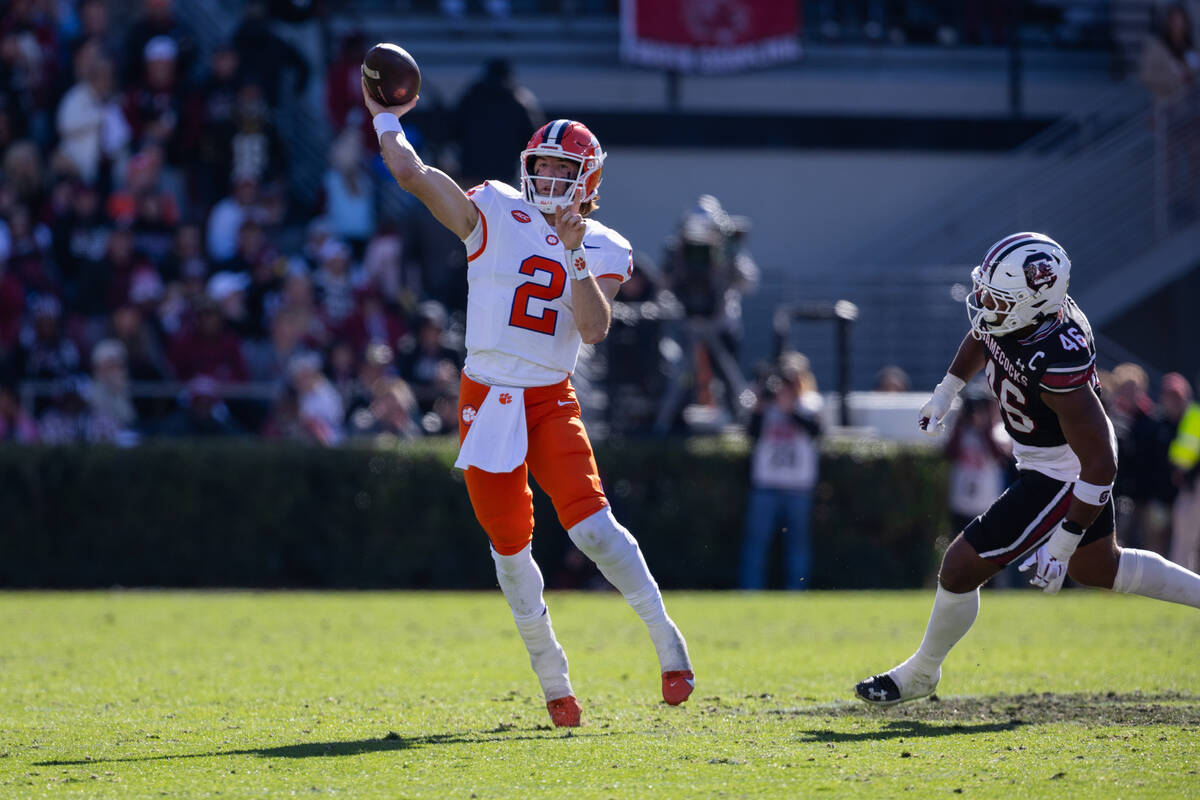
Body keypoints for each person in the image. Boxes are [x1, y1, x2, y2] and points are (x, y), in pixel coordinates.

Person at [364, 83, 693, 727]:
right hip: (486, 396)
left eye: (561, 169)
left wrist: (570, 252)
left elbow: (594, 328)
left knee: (593, 527)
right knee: (511, 548)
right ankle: (552, 676)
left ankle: (668, 643)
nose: (545, 177)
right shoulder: (491, 207)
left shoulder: (604, 245)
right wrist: (385, 120)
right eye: (539, 165)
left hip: (549, 397)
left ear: (587, 179)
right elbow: (411, 173)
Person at [855, 232, 1200, 707]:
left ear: (1033, 304)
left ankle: (920, 673)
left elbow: (1101, 462)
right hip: (1045, 459)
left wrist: (1062, 542)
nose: (984, 305)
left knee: (959, 566)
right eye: (987, 292)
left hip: (1066, 472)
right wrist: (946, 390)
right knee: (1100, 567)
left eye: (998, 298)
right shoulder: (1015, 317)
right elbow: (984, 334)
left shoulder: (1058, 355)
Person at [739, 351, 823, 590]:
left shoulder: (810, 403)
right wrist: (758, 407)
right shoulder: (767, 404)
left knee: (797, 545)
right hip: (766, 485)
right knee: (756, 543)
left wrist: (790, 409)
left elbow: (816, 432)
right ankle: (749, 591)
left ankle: (797, 591)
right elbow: (751, 435)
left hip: (798, 487)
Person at [1167, 373, 1200, 570]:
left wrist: (1177, 467)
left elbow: (1183, 458)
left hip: (1194, 485)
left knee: (1185, 539)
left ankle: (1181, 584)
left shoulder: (1195, 413)